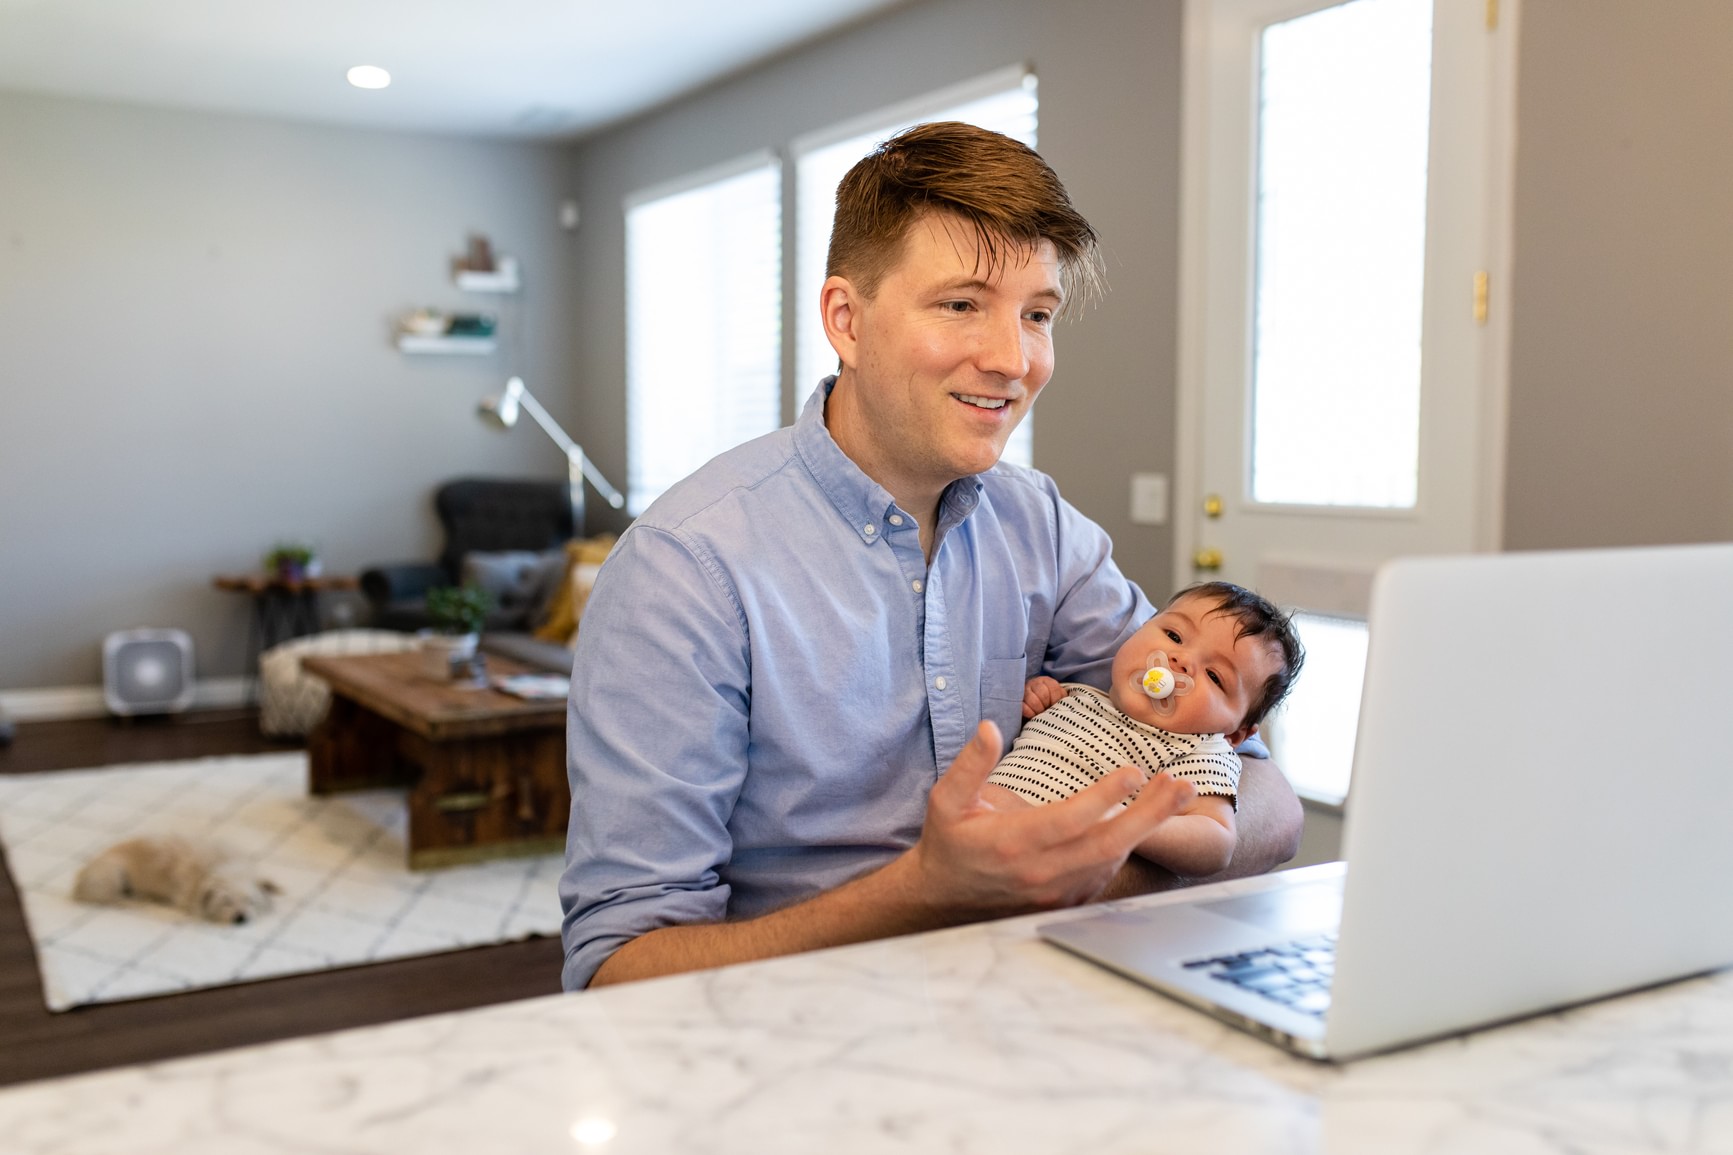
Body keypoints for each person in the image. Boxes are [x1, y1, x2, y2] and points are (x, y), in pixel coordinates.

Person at [559, 122, 1303, 991]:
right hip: (789, 1036)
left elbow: (1265, 803)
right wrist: (927, 892)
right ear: (846, 319)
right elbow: (617, 968)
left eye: (1036, 315)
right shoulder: (685, 571)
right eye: (960, 304)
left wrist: (1055, 875)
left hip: (1031, 997)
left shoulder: (1042, 527)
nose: (1011, 360)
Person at [984, 581, 1304, 878]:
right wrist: (1040, 699)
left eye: (1214, 676)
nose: (1179, 661)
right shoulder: (1078, 695)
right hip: (976, 838)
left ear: (1234, 735)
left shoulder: (1197, 751)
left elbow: (1216, 842)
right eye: (1174, 636)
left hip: (1047, 863)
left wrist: (1128, 825)